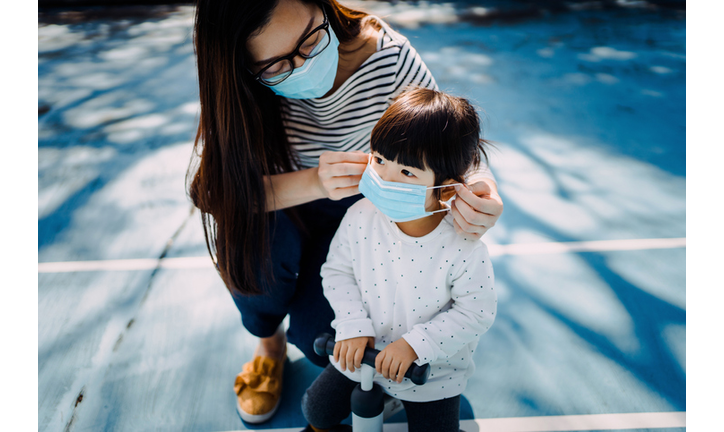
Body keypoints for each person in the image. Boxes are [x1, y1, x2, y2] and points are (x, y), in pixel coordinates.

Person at [187, 0, 503, 424]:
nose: (302, 65)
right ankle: (267, 344)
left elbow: (443, 137)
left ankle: (299, 337)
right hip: (282, 210)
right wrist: (314, 183)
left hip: (359, 215)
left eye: (310, 40)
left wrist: (484, 187)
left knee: (324, 341)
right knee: (251, 252)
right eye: (276, 66)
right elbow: (212, 194)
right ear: (243, 67)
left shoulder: (389, 59)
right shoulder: (240, 89)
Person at [301, 88, 497, 432]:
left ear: (447, 190)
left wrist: (416, 345)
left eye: (407, 173)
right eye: (379, 160)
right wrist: (351, 323)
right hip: (360, 351)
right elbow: (337, 272)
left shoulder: (465, 246)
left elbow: (476, 312)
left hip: (431, 369)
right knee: (316, 413)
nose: (384, 179)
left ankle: (401, 397)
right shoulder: (360, 215)